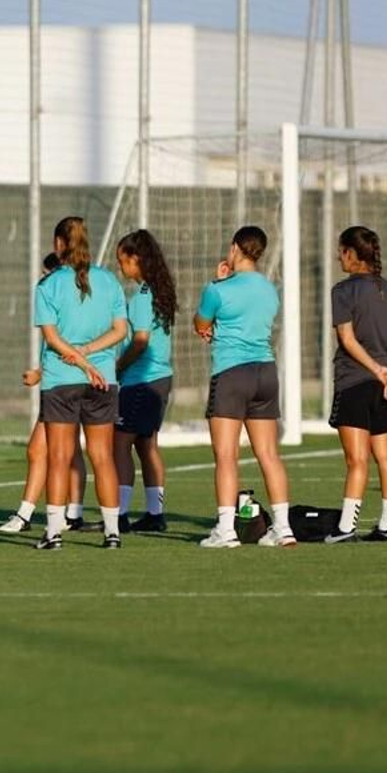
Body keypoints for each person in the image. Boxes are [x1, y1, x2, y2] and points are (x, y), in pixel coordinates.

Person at [195, 225, 297, 547]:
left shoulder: (217, 289)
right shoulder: (269, 288)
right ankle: (283, 528)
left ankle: (225, 531)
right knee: (268, 453)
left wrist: (221, 281)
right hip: (265, 372)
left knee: (226, 455)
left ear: (235, 248)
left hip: (231, 373)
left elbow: (201, 324)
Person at [33, 216, 128, 551]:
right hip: (102, 381)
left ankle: (53, 534)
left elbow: (51, 337)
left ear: (59, 244)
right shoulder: (110, 281)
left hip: (61, 380)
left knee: (59, 457)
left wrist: (79, 356)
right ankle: (113, 533)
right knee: (102, 457)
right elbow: (120, 330)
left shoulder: (48, 285)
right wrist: (89, 355)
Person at [326, 225, 387, 542]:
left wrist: (377, 369)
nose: (338, 257)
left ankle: (346, 528)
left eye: (341, 251)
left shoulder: (343, 291)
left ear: (351, 253)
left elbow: (346, 339)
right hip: (383, 387)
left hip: (353, 382)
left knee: (356, 460)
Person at [0, 253, 88, 534]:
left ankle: (27, 515)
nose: (43, 279)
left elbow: (64, 343)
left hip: (65, 385)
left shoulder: (56, 296)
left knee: (40, 450)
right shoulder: (74, 299)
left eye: (46, 273)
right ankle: (73, 514)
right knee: (71, 451)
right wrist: (40, 371)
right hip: (74, 381)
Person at [112, 229, 176, 533]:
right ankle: (155, 514)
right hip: (161, 377)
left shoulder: (140, 297)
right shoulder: (159, 292)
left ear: (136, 259)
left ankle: (120, 515)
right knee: (147, 445)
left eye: (122, 261)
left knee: (119, 444)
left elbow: (139, 340)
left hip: (141, 379)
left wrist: (119, 366)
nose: (120, 268)